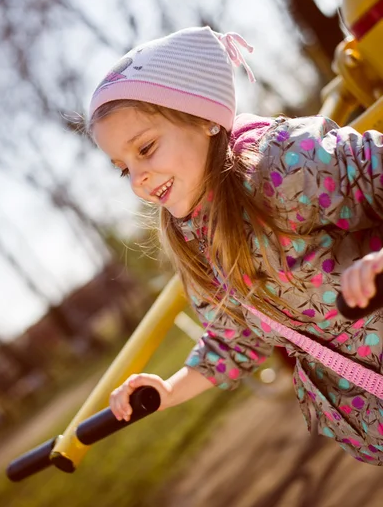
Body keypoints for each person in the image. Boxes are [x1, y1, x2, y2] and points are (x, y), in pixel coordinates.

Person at [87, 26, 383, 465]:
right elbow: (232, 338)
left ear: (206, 117)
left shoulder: (284, 164)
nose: (137, 179)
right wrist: (168, 391)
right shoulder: (193, 238)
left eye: (146, 148)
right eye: (122, 169)